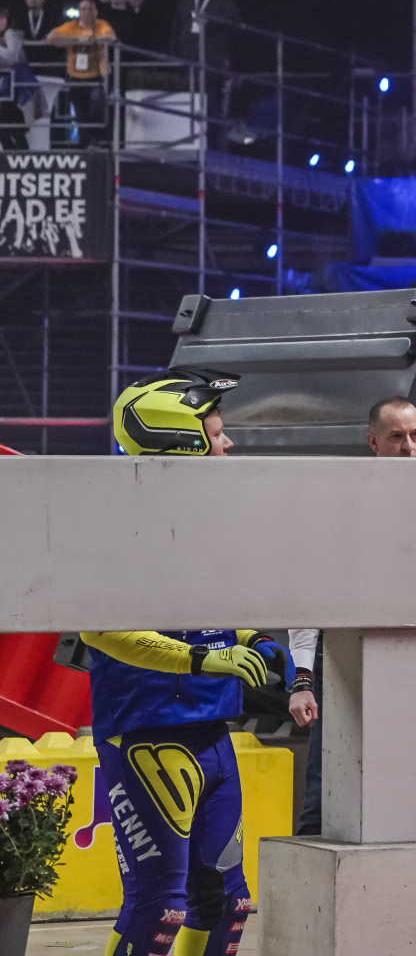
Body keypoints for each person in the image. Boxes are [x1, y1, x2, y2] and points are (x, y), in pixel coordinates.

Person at [87, 367, 287, 956]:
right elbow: (102, 631)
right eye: (217, 434)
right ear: (181, 439)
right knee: (160, 907)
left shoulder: (206, 520)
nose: (229, 444)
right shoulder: (111, 525)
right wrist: (206, 659)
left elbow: (207, 611)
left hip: (211, 730)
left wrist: (253, 639)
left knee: (228, 904)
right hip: (146, 731)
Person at [288, 397, 416, 838]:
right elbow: (312, 595)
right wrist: (302, 679)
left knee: (411, 795)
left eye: (415, 435)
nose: (409, 447)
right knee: (326, 794)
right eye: (396, 437)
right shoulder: (343, 507)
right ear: (373, 441)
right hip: (344, 660)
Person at [47, 0, 115, 145]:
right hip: (76, 77)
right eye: (82, 9)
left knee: (97, 106)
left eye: (89, 9)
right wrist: (76, 40)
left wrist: (92, 40)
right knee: (80, 112)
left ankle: (98, 139)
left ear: (94, 11)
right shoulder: (72, 26)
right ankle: (85, 145)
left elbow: (110, 38)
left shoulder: (101, 24)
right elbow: (51, 37)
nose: (86, 12)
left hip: (95, 76)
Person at [0, 8, 28, 150]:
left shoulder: (10, 34)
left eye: (3, 18)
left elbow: (13, 57)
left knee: (9, 120)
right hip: (5, 84)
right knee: (7, 123)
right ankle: (14, 154)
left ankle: (20, 154)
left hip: (15, 82)